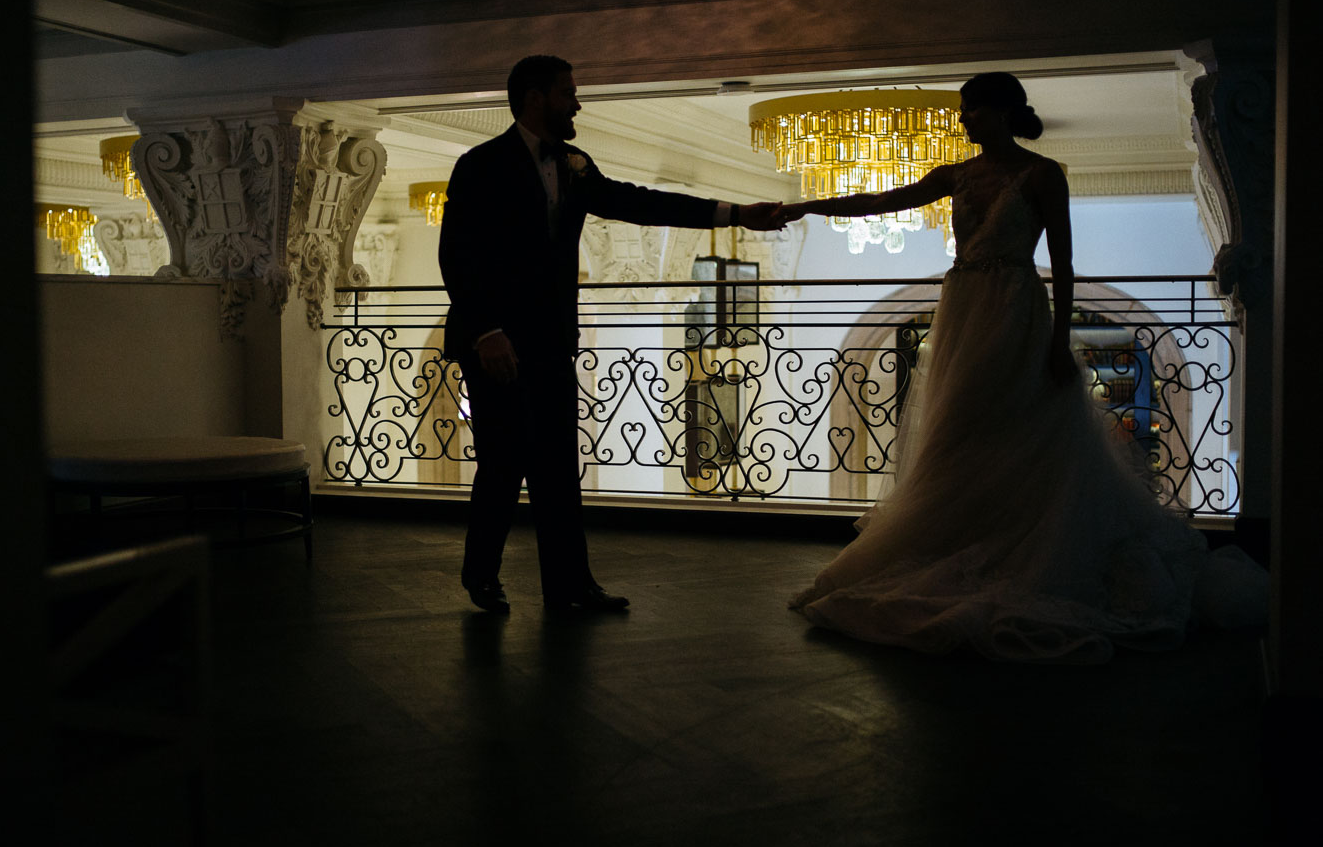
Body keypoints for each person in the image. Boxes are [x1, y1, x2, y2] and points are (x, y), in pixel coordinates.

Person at [782, 71, 1267, 663]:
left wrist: (1061, 341)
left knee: (1015, 420)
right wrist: (798, 207)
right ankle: (966, 538)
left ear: (1003, 112)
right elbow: (881, 201)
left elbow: (1062, 262)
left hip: (1014, 305)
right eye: (963, 112)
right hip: (962, 306)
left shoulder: (1041, 174)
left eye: (972, 111)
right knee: (958, 428)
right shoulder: (956, 174)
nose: (963, 121)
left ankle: (1021, 547)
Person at [439, 54, 785, 614]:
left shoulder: (576, 163)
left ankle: (570, 588)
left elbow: (639, 203)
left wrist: (736, 213)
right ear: (534, 98)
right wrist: (487, 331)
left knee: (556, 466)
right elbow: (457, 254)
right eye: (567, 93)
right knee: (503, 462)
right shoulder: (481, 163)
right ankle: (481, 575)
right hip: (495, 342)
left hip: (552, 341)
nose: (577, 103)